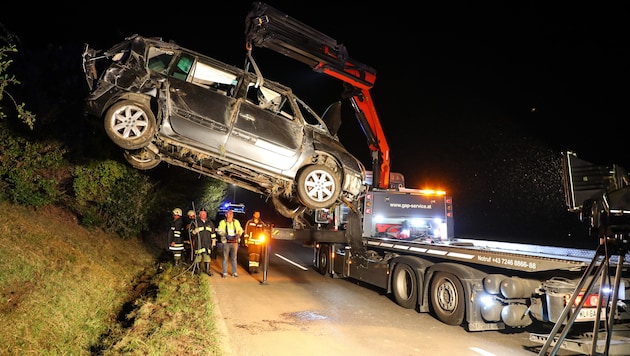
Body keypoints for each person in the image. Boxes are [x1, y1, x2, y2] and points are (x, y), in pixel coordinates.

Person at [216, 209, 244, 278]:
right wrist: (226, 235)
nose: (230, 215)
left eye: (231, 214)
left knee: (234, 258)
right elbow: (219, 230)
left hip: (234, 242)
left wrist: (238, 235)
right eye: (229, 214)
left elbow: (240, 230)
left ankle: (234, 272)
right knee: (225, 258)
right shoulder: (222, 222)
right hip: (226, 242)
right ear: (226, 215)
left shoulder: (236, 222)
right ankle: (224, 272)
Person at [190, 208, 216, 276]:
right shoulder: (196, 222)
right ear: (199, 214)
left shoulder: (210, 223)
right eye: (202, 213)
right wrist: (194, 231)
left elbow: (213, 233)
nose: (204, 215)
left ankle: (207, 270)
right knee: (198, 257)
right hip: (199, 242)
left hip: (207, 243)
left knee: (207, 257)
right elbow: (191, 233)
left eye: (205, 213)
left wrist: (213, 242)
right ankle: (197, 270)